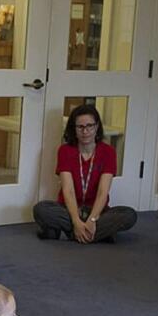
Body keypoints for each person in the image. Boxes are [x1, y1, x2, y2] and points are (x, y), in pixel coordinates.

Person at [33, 103, 137, 243]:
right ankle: (94, 234)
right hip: (69, 210)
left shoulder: (108, 152)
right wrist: (76, 221)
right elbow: (68, 190)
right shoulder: (65, 151)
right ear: (74, 129)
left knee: (129, 215)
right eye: (80, 127)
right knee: (41, 209)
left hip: (97, 212)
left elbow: (103, 191)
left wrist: (92, 219)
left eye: (90, 126)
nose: (85, 131)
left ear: (97, 127)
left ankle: (73, 233)